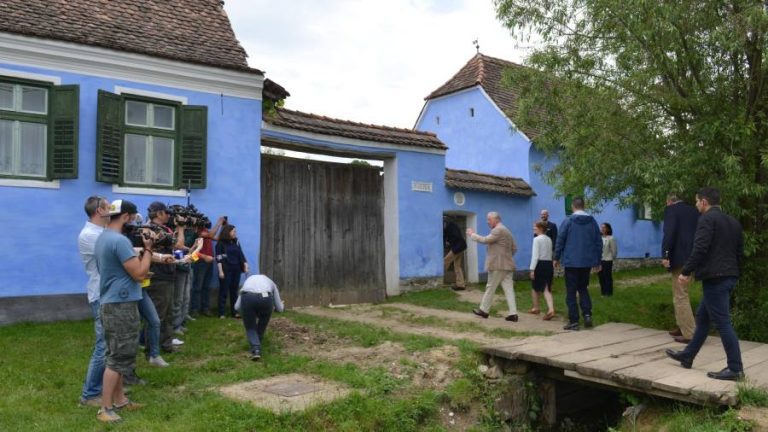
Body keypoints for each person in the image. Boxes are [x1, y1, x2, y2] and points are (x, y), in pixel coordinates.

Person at [666, 187, 745, 381]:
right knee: (702, 317)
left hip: (715, 278)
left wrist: (685, 272)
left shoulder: (707, 220)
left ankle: (735, 368)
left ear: (704, 202)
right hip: (728, 275)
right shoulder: (733, 222)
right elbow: (739, 252)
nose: (695, 205)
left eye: (696, 201)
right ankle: (688, 355)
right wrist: (733, 273)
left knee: (723, 323)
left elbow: (700, 248)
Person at [94, 199, 151, 423]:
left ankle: (120, 401)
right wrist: (148, 250)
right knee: (119, 357)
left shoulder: (104, 237)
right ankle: (105, 409)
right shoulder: (120, 241)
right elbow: (139, 273)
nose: (136, 222)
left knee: (115, 354)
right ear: (126, 217)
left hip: (111, 302)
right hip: (121, 305)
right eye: (134, 217)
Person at [77, 196, 110, 407]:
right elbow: (113, 255)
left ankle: (109, 387)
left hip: (108, 292)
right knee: (103, 345)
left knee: (111, 344)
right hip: (100, 293)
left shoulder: (102, 232)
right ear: (99, 210)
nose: (111, 211)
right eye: (108, 208)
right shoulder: (89, 235)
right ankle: (89, 394)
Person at [554, 197, 602, 331]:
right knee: (583, 288)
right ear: (584, 205)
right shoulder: (592, 222)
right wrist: (598, 261)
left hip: (571, 262)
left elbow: (560, 240)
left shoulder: (568, 221)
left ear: (572, 206)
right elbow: (598, 242)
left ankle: (574, 321)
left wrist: (556, 257)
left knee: (571, 291)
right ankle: (587, 315)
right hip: (586, 262)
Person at [661, 193, 699, 343]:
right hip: (694, 256)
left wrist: (665, 255)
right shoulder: (694, 211)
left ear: (670, 201)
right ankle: (681, 326)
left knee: (680, 295)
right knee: (681, 292)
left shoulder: (671, 210)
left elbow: (669, 233)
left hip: (679, 257)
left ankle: (689, 333)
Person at [467, 212, 518, 321]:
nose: (487, 222)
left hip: (498, 265)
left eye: (489, 219)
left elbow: (485, 240)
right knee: (509, 289)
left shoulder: (498, 230)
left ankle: (484, 310)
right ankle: (513, 314)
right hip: (508, 265)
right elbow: (514, 248)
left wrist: (472, 234)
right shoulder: (507, 231)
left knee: (490, 287)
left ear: (496, 220)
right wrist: (506, 257)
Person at [144, 202, 178, 354]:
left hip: (167, 274)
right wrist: (181, 229)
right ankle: (151, 347)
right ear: (158, 214)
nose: (169, 215)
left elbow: (175, 246)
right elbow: (178, 244)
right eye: (166, 212)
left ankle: (166, 344)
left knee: (168, 313)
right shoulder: (148, 230)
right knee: (157, 315)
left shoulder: (164, 229)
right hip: (158, 276)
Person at [234, 274, 285, 360]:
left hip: (248, 297)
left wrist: (244, 313)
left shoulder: (247, 282)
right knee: (262, 323)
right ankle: (257, 343)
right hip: (266, 297)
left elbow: (236, 307)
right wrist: (282, 305)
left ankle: (256, 349)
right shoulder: (271, 283)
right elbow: (279, 308)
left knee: (250, 327)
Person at [191, 216, 225, 316]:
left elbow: (217, 238)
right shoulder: (198, 231)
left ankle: (205, 308)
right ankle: (194, 309)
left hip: (209, 262)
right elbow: (211, 235)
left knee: (206, 286)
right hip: (200, 262)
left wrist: (225, 227)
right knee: (197, 286)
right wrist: (218, 223)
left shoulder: (206, 231)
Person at [216, 224, 249, 318]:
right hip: (226, 270)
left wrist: (245, 265)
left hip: (236, 269)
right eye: (233, 231)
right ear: (228, 232)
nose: (235, 233)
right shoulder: (220, 244)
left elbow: (241, 254)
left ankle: (234, 312)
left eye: (235, 231)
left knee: (234, 291)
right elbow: (218, 258)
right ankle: (221, 313)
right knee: (224, 291)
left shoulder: (236, 242)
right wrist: (220, 271)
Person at [529, 221, 555, 320]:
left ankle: (537, 308)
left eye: (535, 227)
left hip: (540, 265)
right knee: (547, 288)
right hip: (548, 264)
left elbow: (535, 256)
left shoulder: (536, 239)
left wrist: (532, 269)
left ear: (540, 228)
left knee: (535, 287)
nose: (534, 229)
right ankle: (549, 308)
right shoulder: (549, 239)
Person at [443, 218, 467, 291]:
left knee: (445, 261)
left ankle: (438, 279)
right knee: (457, 266)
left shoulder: (449, 226)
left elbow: (455, 237)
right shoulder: (452, 225)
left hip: (457, 247)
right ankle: (461, 285)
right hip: (461, 246)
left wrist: (448, 242)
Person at [598, 223, 618, 296]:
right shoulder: (599, 238)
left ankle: (609, 293)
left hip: (607, 260)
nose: (602, 229)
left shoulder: (611, 238)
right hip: (599, 260)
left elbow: (614, 250)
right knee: (601, 277)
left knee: (607, 277)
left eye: (604, 227)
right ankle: (603, 293)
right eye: (601, 227)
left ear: (608, 229)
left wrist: (612, 258)